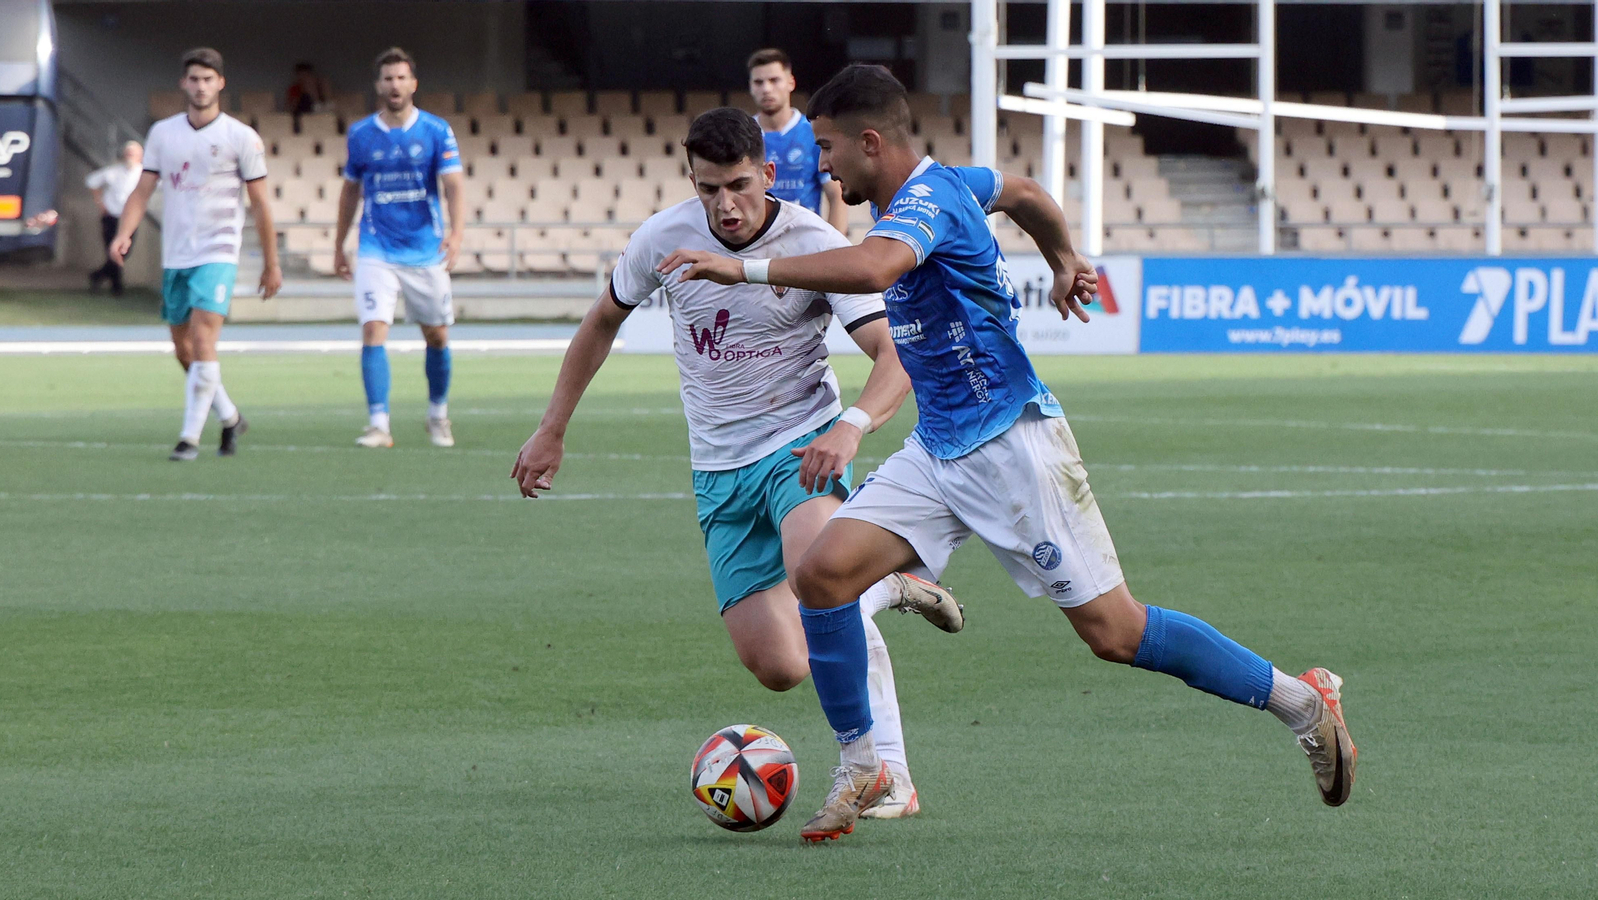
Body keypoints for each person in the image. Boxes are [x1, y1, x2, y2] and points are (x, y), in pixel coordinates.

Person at [660, 65, 1358, 842]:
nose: (820, 166)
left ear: (869, 142)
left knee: (1114, 635)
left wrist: (743, 266)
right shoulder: (956, 182)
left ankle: (1301, 701)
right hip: (941, 447)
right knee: (820, 575)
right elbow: (1022, 191)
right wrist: (1064, 256)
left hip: (1012, 447)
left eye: (827, 148)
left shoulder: (922, 205)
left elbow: (875, 267)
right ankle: (865, 764)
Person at [512, 108, 968, 820]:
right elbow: (601, 322)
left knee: (821, 582)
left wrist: (849, 428)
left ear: (769, 174)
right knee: (782, 667)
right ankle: (891, 588)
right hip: (718, 472)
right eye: (707, 189)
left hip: (800, 450)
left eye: (737, 186)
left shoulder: (813, 244)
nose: (724, 204)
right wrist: (551, 430)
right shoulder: (662, 240)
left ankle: (891, 776)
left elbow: (892, 356)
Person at [111, 47, 281, 461]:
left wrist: (272, 263)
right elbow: (143, 189)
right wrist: (124, 232)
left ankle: (189, 438)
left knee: (204, 338)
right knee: (184, 351)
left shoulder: (240, 137)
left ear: (221, 83)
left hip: (218, 249)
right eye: (194, 79)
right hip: (177, 254)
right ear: (183, 83)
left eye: (209, 79)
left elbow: (260, 202)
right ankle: (229, 416)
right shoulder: (164, 134)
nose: (201, 86)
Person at [334, 47, 464, 449]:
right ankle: (378, 424)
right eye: (387, 78)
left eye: (401, 77)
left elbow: (454, 184)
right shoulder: (360, 133)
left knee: (437, 336)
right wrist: (339, 244)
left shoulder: (436, 130)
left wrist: (456, 234)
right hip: (375, 248)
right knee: (373, 330)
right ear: (378, 85)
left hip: (424, 249)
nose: (394, 85)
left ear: (413, 84)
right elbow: (350, 190)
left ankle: (438, 415)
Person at [747, 48, 849, 235]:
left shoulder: (813, 133)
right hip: (757, 246)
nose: (766, 89)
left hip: (804, 242)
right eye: (758, 82)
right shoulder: (742, 135)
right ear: (751, 87)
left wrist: (835, 250)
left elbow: (836, 196)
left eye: (774, 80)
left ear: (791, 82)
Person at [85, 141, 143, 295]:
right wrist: (100, 203)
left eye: (133, 153)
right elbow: (91, 182)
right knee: (112, 250)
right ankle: (117, 287)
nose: (130, 156)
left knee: (124, 251)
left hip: (130, 218)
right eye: (128, 153)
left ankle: (98, 275)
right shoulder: (113, 171)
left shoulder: (143, 173)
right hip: (112, 215)